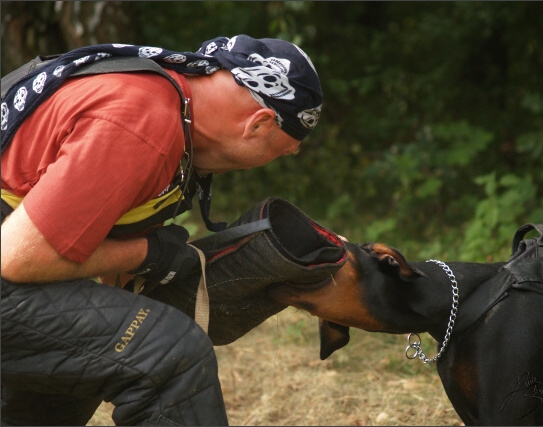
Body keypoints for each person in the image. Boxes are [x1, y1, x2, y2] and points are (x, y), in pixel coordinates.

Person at [0, 35, 322, 426]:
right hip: (12, 257)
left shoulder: (165, 101)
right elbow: (17, 258)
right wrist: (148, 254)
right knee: (171, 355)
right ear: (259, 125)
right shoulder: (142, 122)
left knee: (100, 351)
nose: (271, 163)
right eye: (281, 151)